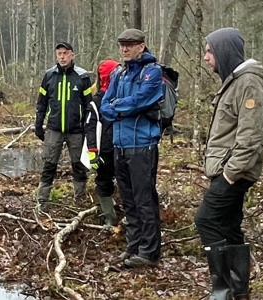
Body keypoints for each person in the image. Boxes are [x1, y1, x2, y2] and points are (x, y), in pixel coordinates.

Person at [195, 27, 263, 299]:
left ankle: (223, 291)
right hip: (229, 169)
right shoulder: (235, 81)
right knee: (228, 226)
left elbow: (251, 137)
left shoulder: (249, 82)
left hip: (235, 172)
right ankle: (238, 292)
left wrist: (229, 174)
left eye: (209, 51)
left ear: (223, 51)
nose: (206, 57)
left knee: (205, 219)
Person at [99, 29, 163, 268]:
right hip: (120, 145)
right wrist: (121, 106)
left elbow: (142, 100)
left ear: (141, 46)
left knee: (145, 199)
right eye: (122, 45)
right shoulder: (118, 73)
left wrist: (120, 106)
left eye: (130, 45)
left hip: (142, 145)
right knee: (128, 200)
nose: (124, 49)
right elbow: (105, 105)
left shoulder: (153, 72)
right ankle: (133, 245)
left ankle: (149, 251)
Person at [35, 42, 96, 205]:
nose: (62, 57)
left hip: (76, 130)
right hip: (54, 128)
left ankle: (79, 199)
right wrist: (38, 124)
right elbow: (42, 102)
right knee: (49, 165)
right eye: (59, 54)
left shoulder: (82, 76)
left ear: (72, 55)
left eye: (65, 53)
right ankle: (42, 201)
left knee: (79, 166)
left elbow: (89, 105)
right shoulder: (49, 76)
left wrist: (88, 128)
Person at [88, 59, 121, 227]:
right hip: (105, 149)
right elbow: (90, 126)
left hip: (123, 147)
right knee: (103, 181)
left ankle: (130, 215)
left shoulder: (123, 94)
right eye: (115, 72)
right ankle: (109, 216)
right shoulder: (97, 100)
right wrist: (92, 152)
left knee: (125, 180)